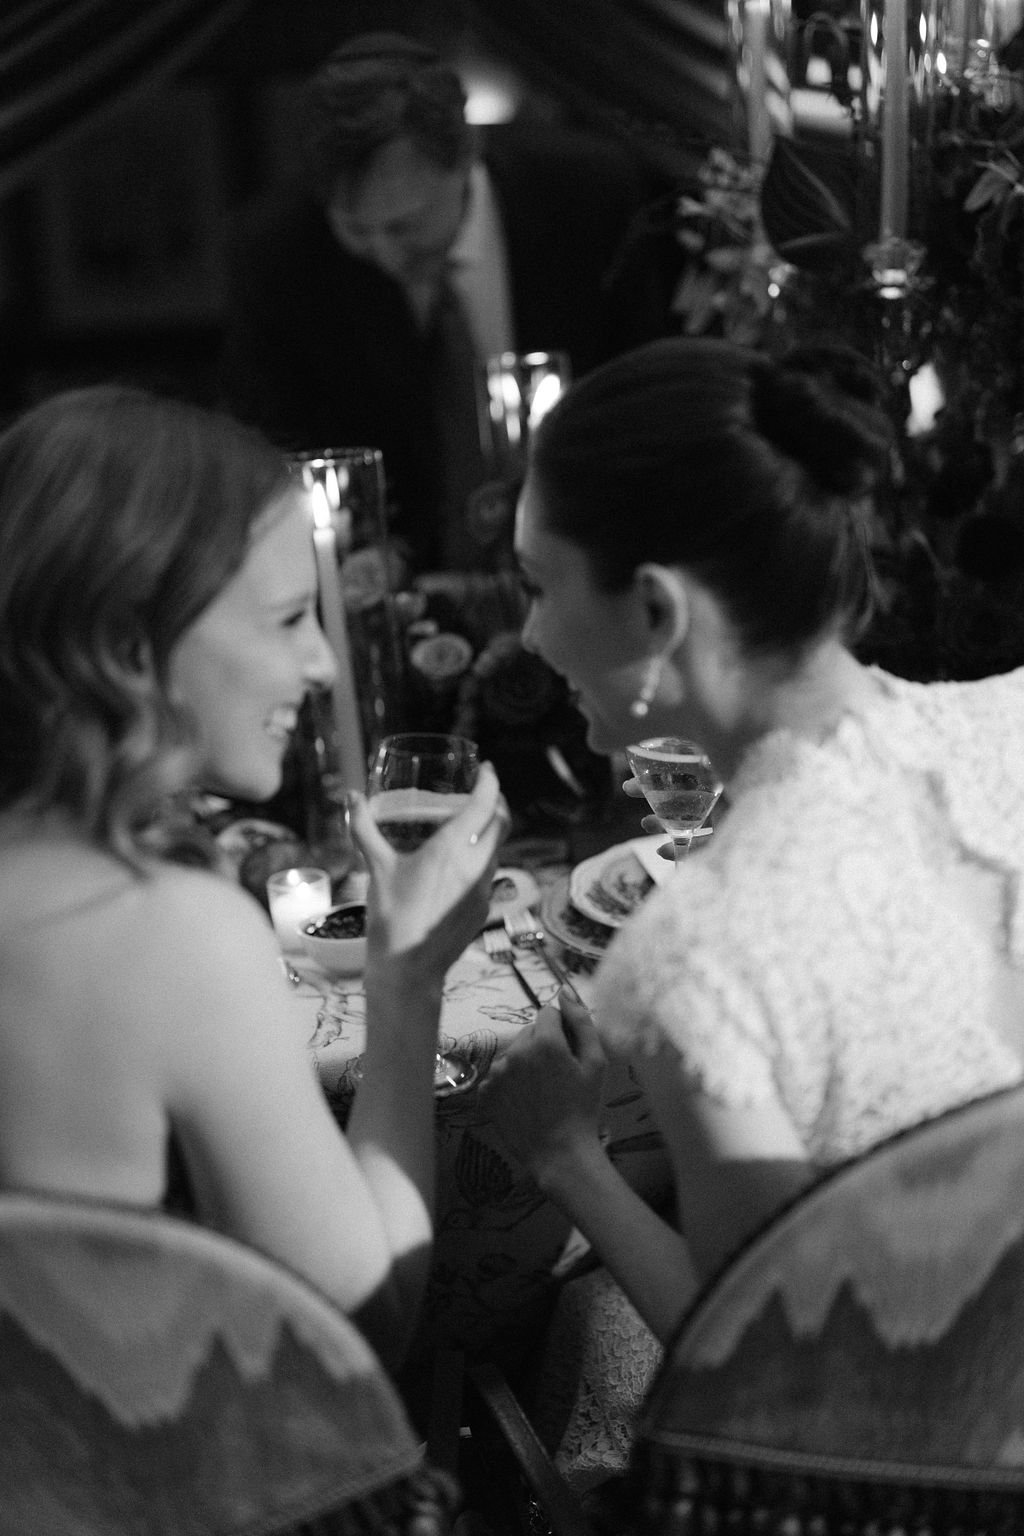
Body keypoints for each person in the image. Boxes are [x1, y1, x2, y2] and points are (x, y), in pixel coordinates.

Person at [479, 336, 1024, 1489]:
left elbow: (762, 1367)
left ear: (657, 608)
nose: (527, 637)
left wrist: (567, 1154)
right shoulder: (1007, 728)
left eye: (539, 584)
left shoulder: (698, 951)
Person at [0, 384, 508, 1375]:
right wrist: (406, 988)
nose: (320, 663)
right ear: (130, 642)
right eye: (285, 620)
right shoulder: (164, 935)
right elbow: (354, 1333)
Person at [216, 31, 667, 573]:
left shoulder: (589, 196)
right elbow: (275, 438)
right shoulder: (278, 256)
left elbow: (646, 389)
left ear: (466, 158)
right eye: (358, 229)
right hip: (398, 583)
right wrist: (369, 548)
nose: (385, 254)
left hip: (591, 554)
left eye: (405, 226)